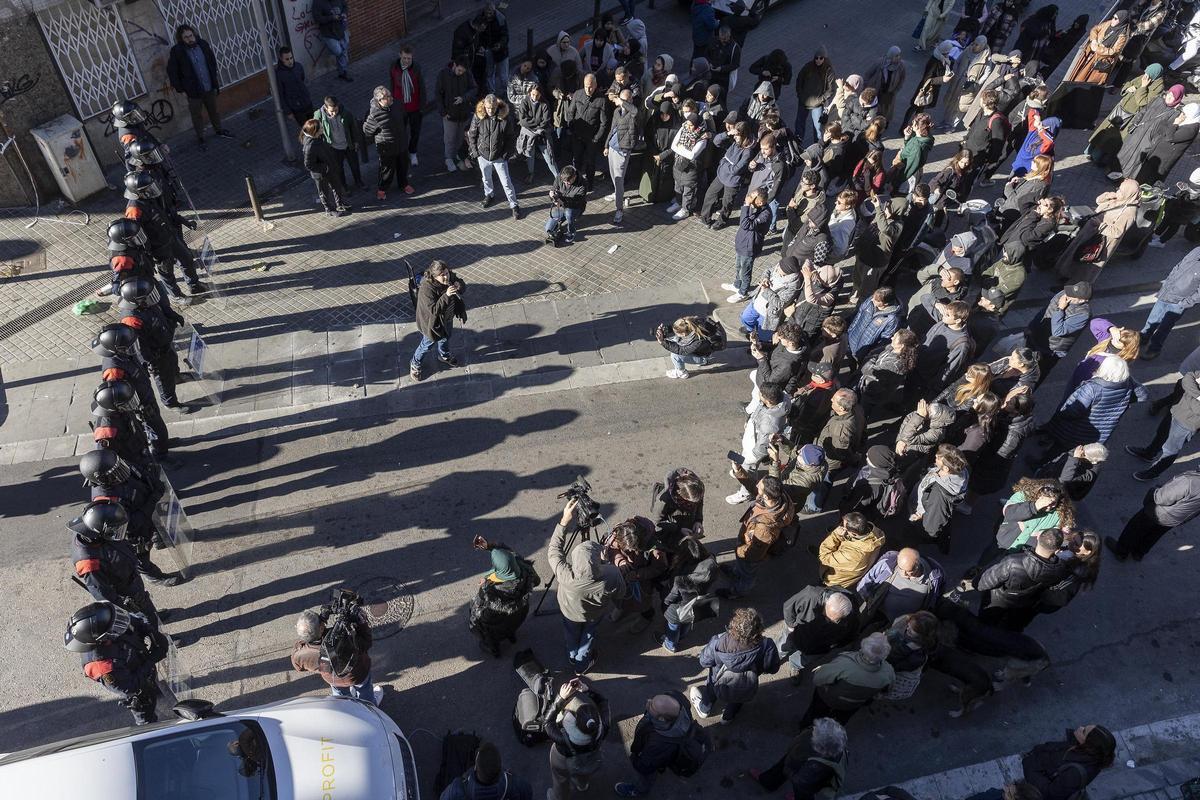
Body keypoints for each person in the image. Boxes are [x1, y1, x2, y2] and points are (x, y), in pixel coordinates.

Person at [64, 601, 168, 725]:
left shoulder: (109, 621)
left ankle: (160, 695)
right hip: (138, 687)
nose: (120, 623)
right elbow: (130, 686)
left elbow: (130, 621)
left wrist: (150, 631)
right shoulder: (102, 667)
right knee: (145, 714)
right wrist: (151, 660)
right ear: (102, 640)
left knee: (156, 691)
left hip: (140, 663)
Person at [68, 499, 165, 621]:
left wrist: (134, 549)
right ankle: (158, 636)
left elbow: (112, 547)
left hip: (129, 578)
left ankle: (153, 616)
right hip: (123, 590)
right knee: (142, 621)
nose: (119, 533)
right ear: (100, 530)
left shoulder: (92, 526)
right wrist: (123, 606)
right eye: (115, 530)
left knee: (146, 605)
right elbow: (102, 592)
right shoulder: (89, 563)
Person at [1041, 355, 1146, 464]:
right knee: (1078, 454)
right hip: (1099, 431)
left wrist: (1061, 414)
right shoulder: (1127, 385)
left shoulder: (1093, 388)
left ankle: (1041, 464)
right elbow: (1144, 395)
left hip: (1076, 428)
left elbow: (1075, 411)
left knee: (1058, 448)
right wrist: (1126, 379)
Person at [690, 607, 781, 723]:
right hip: (746, 682)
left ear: (733, 625)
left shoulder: (718, 641)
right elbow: (772, 668)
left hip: (717, 678)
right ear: (759, 628)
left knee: (711, 688)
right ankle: (727, 718)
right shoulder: (767, 645)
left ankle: (704, 709)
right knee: (738, 697)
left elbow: (704, 661)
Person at [614, 692, 706, 797]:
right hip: (667, 752)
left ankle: (639, 790)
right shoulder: (678, 701)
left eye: (652, 706)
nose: (648, 701)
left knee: (647, 776)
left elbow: (645, 766)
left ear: (661, 719)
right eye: (652, 700)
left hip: (658, 756)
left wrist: (635, 759)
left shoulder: (659, 744)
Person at [975, 528, 1068, 630]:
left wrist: (976, 584)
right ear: (1057, 549)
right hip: (1022, 607)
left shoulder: (1013, 562)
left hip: (997, 602)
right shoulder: (1060, 570)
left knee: (983, 627)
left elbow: (985, 582)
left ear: (1038, 538)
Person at [1105, 467, 1200, 561]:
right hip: (1177, 518)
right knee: (1154, 535)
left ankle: (1121, 552)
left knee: (1135, 529)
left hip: (1158, 512)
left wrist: (1155, 490)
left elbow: (1162, 498)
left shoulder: (1189, 481)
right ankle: (1138, 553)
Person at [801, 632, 895, 726]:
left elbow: (818, 678)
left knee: (814, 714)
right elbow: (886, 692)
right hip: (853, 705)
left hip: (828, 698)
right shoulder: (889, 673)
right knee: (839, 721)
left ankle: (805, 729)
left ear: (863, 646)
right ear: (884, 655)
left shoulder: (844, 663)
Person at [467, 536, 539, 657]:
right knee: (509, 623)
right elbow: (512, 555)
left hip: (499, 623)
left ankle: (493, 649)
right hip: (520, 615)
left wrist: (474, 616)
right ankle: (511, 635)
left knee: (479, 624)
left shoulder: (491, 592)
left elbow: (484, 618)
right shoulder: (525, 570)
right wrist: (490, 547)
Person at [724, 474, 795, 596]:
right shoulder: (778, 496)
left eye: (760, 486)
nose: (757, 485)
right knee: (742, 568)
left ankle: (738, 592)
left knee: (747, 572)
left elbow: (754, 553)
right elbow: (753, 486)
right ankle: (736, 572)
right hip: (749, 537)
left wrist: (739, 550)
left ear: (766, 496)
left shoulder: (765, 529)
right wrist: (739, 471)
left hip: (749, 551)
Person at [291, 605, 378, 704]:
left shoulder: (299, 654)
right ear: (321, 627)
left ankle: (346, 709)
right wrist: (362, 624)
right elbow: (366, 643)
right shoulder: (343, 638)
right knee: (364, 690)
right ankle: (370, 707)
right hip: (356, 675)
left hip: (332, 679)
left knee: (340, 696)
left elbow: (298, 668)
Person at [166, 25, 231, 150]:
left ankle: (219, 130)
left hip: (208, 86)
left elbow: (212, 61)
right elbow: (172, 71)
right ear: (181, 39)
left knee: (214, 111)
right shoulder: (178, 51)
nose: (189, 39)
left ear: (194, 34)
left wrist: (213, 79)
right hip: (194, 91)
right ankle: (201, 137)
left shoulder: (203, 45)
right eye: (186, 37)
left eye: (191, 36)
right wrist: (182, 88)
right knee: (197, 116)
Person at [1087, 65, 1164, 170]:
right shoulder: (1146, 76)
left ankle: (1100, 160)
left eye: (1147, 74)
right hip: (1120, 109)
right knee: (1104, 131)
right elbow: (1129, 83)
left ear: (1154, 75)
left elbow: (1143, 102)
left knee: (1112, 138)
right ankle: (1091, 152)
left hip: (1129, 116)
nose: (1144, 75)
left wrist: (1142, 87)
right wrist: (1128, 88)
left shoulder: (1158, 87)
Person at [1127, 371, 1200, 481]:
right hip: (1176, 410)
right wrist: (1198, 396)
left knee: (1170, 451)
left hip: (1187, 424)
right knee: (1161, 434)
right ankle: (1149, 453)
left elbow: (1197, 409)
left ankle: (1153, 473)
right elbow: (1188, 377)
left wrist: (1189, 392)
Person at [544, 677, 609, 800]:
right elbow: (603, 702)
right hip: (589, 757)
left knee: (560, 778)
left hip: (563, 759)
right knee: (583, 770)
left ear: (574, 724)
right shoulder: (603, 727)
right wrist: (587, 690)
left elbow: (547, 723)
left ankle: (559, 797)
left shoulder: (565, 739)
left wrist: (561, 698)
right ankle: (582, 784)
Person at [752, 718, 849, 797]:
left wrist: (788, 771)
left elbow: (802, 781)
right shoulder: (835, 744)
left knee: (803, 793)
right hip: (796, 758)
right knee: (782, 767)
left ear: (820, 747)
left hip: (799, 771)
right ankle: (769, 781)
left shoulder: (817, 766)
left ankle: (771, 783)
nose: (814, 728)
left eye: (816, 731)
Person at [778, 585, 859, 675]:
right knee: (785, 644)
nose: (826, 621)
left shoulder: (852, 618)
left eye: (833, 621)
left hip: (818, 647)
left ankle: (795, 665)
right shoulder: (810, 595)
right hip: (797, 631)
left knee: (805, 659)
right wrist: (791, 626)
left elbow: (849, 636)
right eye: (825, 615)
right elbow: (789, 607)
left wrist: (834, 645)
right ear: (826, 602)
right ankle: (776, 655)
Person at [658, 536, 720, 651]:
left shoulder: (681, 578)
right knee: (687, 622)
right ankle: (682, 636)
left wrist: (665, 601)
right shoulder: (711, 563)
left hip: (677, 608)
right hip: (696, 603)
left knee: (674, 626)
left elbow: (670, 598)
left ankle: (670, 645)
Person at [1022, 725, 1117, 800]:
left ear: (1088, 745)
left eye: (1084, 731)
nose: (1080, 727)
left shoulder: (1074, 774)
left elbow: (1050, 793)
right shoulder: (1084, 749)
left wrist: (1029, 764)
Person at [857, 548, 945, 627]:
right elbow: (865, 583)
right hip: (877, 611)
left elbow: (936, 599)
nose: (903, 574)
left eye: (908, 572)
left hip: (906, 624)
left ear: (918, 566)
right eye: (900, 568)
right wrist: (868, 601)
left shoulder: (934, 577)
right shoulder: (889, 563)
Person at [1139, 246, 1200, 359]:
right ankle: (1143, 338)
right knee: (1153, 319)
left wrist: (1185, 303)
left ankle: (1154, 349)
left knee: (1164, 327)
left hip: (1179, 301)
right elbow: (1179, 266)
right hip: (1167, 292)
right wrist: (1167, 283)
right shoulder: (1197, 250)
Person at [409, 260, 466, 381]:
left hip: (447, 317)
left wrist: (458, 284)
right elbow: (433, 310)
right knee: (427, 345)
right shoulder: (426, 288)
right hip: (432, 323)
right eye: (443, 275)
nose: (446, 276)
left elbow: (462, 285)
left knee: (446, 337)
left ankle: (444, 356)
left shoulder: (449, 276)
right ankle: (415, 363)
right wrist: (447, 295)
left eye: (446, 273)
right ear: (435, 276)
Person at [1115, 84, 1185, 180]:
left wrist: (1154, 142)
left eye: (1173, 96)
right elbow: (1143, 112)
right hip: (1137, 133)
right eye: (1169, 93)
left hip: (1148, 142)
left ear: (1177, 99)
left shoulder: (1175, 113)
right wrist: (1134, 124)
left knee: (1136, 161)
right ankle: (1114, 172)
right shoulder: (1157, 100)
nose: (1169, 97)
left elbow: (1166, 133)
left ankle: (1125, 181)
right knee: (1124, 152)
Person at [909, 444, 969, 553]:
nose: (935, 457)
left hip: (922, 517)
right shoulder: (961, 470)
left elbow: (932, 523)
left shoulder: (939, 494)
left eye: (938, 458)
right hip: (929, 508)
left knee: (914, 537)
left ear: (946, 468)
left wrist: (920, 520)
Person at [1026, 282, 1092, 383]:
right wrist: (1031, 326)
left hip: (1050, 350)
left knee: (1035, 375)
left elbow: (1058, 331)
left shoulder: (1083, 314)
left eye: (1073, 295)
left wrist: (1060, 309)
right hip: (1035, 338)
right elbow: (1046, 310)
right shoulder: (1064, 293)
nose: (1067, 294)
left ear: (1083, 300)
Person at [468, 94, 520, 218]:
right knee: (486, 178)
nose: (490, 111)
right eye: (488, 108)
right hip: (483, 155)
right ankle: (489, 195)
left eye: (493, 108)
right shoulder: (478, 116)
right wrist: (476, 153)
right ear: (484, 106)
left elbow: (511, 137)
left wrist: (506, 154)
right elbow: (472, 134)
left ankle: (514, 205)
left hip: (499, 156)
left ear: (497, 106)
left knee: (506, 182)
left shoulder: (505, 118)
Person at [362, 86, 413, 200]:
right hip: (387, 147)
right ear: (379, 100)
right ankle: (382, 189)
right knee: (386, 169)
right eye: (386, 97)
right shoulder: (374, 115)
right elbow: (367, 131)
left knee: (403, 166)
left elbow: (404, 119)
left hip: (401, 143)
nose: (390, 98)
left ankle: (404, 184)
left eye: (390, 95)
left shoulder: (397, 105)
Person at [439, 740, 533, 800]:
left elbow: (442, 798)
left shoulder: (458, 788)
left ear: (475, 766)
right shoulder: (514, 784)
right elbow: (528, 793)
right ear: (500, 768)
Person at [1131, 103, 1200, 185]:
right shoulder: (1184, 120)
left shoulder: (1191, 129)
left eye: (1184, 114)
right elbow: (1163, 125)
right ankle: (1132, 190)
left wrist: (1175, 124)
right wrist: (1172, 127)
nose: (1181, 115)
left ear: (1191, 115)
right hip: (1155, 153)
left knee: (1148, 182)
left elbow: (1170, 138)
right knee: (1141, 176)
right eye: (1182, 112)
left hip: (1162, 162)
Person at [603, 89, 644, 223]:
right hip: (613, 148)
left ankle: (619, 209)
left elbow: (635, 112)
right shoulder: (616, 112)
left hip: (623, 150)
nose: (622, 103)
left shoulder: (634, 113)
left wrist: (623, 102)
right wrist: (606, 145)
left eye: (626, 100)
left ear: (630, 100)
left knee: (619, 178)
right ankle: (618, 194)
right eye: (621, 100)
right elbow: (612, 128)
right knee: (614, 175)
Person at [816, 511, 886, 588]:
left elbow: (824, 557)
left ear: (854, 534)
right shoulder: (875, 533)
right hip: (848, 567)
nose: (840, 527)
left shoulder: (852, 555)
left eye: (843, 526)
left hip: (834, 580)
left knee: (821, 587)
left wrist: (835, 535)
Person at [314, 96, 366, 193]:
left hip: (348, 145)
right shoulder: (318, 116)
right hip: (333, 148)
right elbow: (316, 132)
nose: (334, 113)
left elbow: (353, 128)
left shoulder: (346, 113)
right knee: (338, 169)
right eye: (331, 111)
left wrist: (355, 141)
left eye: (336, 110)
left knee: (354, 165)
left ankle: (358, 182)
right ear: (326, 108)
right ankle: (343, 186)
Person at [565, 74, 607, 191]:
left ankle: (589, 183)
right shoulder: (578, 94)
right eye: (586, 86)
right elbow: (570, 113)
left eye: (590, 87)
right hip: (577, 135)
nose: (588, 89)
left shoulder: (601, 100)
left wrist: (596, 138)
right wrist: (571, 128)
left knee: (590, 162)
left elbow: (604, 122)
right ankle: (576, 181)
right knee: (576, 160)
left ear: (595, 85)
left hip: (591, 137)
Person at [1065, 11, 1131, 85]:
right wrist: (1093, 41)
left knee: (1082, 79)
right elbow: (1095, 29)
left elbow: (1114, 51)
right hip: (1090, 54)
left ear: (1122, 20)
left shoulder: (1123, 35)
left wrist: (1097, 49)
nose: (1113, 19)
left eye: (1116, 18)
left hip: (1100, 59)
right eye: (1113, 17)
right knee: (1075, 74)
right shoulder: (1108, 23)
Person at [436, 58, 479, 172]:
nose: (461, 73)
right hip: (450, 114)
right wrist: (443, 112)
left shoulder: (467, 73)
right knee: (449, 138)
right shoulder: (443, 74)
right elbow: (438, 94)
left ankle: (458, 156)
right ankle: (449, 159)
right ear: (454, 65)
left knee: (461, 138)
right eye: (459, 70)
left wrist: (464, 98)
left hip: (464, 113)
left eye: (463, 71)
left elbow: (474, 88)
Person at [390, 46, 426, 166]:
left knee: (415, 131)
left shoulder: (416, 68)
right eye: (404, 58)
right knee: (401, 132)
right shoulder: (393, 67)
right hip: (400, 107)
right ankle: (403, 153)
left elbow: (422, 88)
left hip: (415, 107)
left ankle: (413, 152)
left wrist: (422, 106)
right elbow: (392, 86)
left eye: (409, 58)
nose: (406, 61)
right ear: (400, 55)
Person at [1038, 443, 1107, 501]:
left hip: (1067, 491)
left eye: (1083, 454)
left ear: (1092, 460)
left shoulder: (1090, 474)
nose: (1080, 453)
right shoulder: (1082, 452)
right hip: (1052, 477)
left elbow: (1065, 479)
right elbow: (1065, 456)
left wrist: (1075, 458)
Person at [519, 84, 558, 184]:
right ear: (529, 93)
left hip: (541, 134)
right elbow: (523, 121)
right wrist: (537, 122)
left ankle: (557, 178)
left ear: (540, 94)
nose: (534, 97)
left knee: (549, 157)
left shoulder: (544, 104)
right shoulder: (525, 102)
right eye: (532, 95)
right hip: (532, 134)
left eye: (537, 95)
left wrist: (531, 123)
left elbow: (546, 121)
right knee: (529, 155)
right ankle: (530, 174)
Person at [864, 46, 908, 129]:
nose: (899, 57)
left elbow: (902, 79)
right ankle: (872, 122)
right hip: (877, 90)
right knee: (874, 107)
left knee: (886, 109)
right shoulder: (880, 63)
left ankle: (884, 123)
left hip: (889, 93)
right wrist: (866, 87)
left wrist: (896, 90)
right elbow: (868, 74)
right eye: (896, 55)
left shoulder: (901, 66)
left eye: (899, 55)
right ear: (891, 55)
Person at [890, 114, 935, 191]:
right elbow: (909, 147)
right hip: (906, 169)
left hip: (905, 174)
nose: (912, 123)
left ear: (918, 127)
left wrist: (895, 183)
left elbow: (910, 168)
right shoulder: (922, 136)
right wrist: (907, 137)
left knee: (898, 193)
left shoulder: (918, 146)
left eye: (914, 123)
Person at [546, 164, 588, 245]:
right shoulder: (560, 177)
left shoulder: (583, 184)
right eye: (564, 182)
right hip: (561, 206)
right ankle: (560, 225)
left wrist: (561, 202)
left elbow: (576, 202)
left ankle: (571, 232)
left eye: (568, 182)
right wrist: (552, 196)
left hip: (575, 208)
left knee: (569, 213)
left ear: (574, 176)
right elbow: (553, 189)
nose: (566, 183)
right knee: (548, 228)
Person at [312, 0, 352, 81]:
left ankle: (343, 72)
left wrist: (344, 13)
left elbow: (345, 6)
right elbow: (317, 18)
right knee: (338, 51)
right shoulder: (317, 2)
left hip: (341, 29)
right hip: (328, 33)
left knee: (344, 49)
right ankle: (342, 69)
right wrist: (332, 18)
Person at [275, 47, 313, 128]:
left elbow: (302, 79)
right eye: (287, 59)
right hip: (296, 107)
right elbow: (280, 94)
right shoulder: (279, 75)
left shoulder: (298, 66)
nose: (290, 61)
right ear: (281, 59)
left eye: (291, 58)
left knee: (315, 125)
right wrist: (288, 112)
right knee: (307, 130)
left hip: (307, 102)